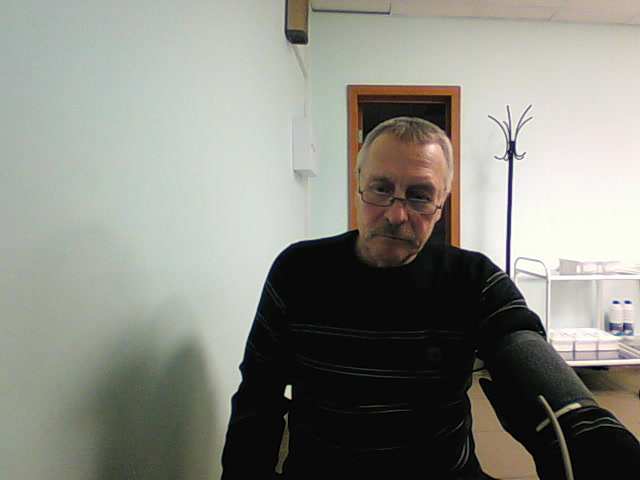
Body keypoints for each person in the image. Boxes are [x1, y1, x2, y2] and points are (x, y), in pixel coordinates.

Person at [221, 117, 640, 480]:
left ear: (441, 204)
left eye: (419, 195)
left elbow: (519, 342)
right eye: (381, 188)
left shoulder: (473, 278)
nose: (396, 214)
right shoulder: (298, 271)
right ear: (358, 184)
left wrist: (586, 429)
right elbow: (259, 394)